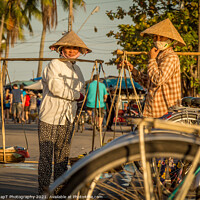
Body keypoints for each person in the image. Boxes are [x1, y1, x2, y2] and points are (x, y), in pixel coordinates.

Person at [38, 30, 91, 194]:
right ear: (61, 48)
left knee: (62, 158)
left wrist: (79, 95)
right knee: (47, 158)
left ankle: (60, 191)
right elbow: (56, 88)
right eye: (68, 48)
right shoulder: (54, 63)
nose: (71, 51)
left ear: (79, 51)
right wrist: (77, 96)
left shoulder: (78, 70)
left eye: (75, 48)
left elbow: (81, 88)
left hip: (68, 117)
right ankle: (44, 192)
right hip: (50, 117)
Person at [120, 18, 186, 118]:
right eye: (155, 37)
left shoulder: (171, 58)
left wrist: (151, 59)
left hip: (165, 112)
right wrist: (132, 69)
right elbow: (149, 82)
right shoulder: (159, 57)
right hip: (154, 110)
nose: (157, 40)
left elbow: (157, 80)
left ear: (170, 40)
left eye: (161, 37)